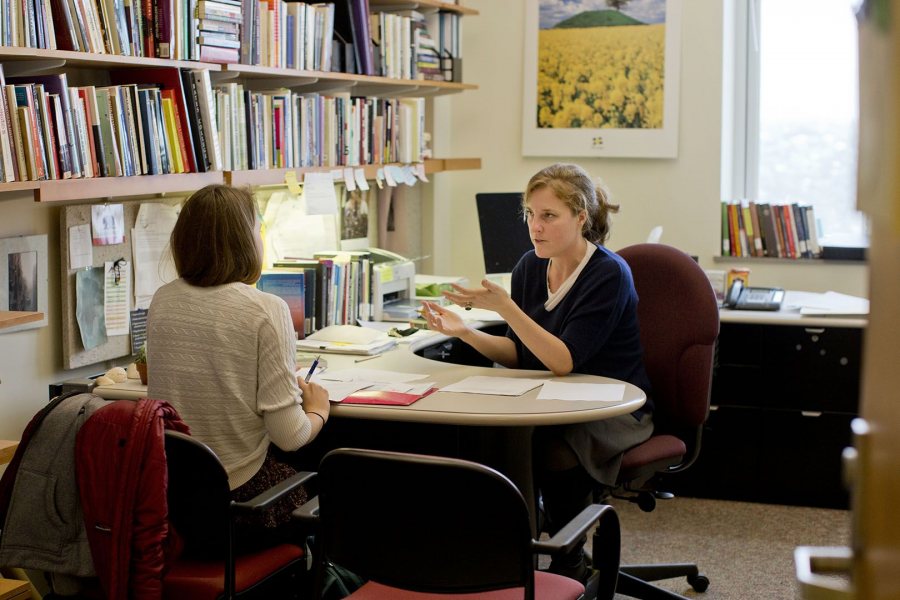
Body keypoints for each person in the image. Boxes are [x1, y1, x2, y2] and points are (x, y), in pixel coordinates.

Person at [421, 163, 654, 582]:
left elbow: (564, 360)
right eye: (530, 214)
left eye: (549, 216)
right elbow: (518, 353)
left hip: (611, 409)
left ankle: (567, 557)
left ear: (581, 217)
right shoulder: (530, 266)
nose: (535, 227)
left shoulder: (608, 273)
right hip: (550, 399)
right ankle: (506, 552)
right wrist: (466, 331)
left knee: (551, 447)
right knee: (488, 432)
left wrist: (506, 307)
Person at [147, 184, 331, 551]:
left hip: (173, 504)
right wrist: (318, 410)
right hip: (240, 508)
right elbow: (289, 436)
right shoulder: (266, 309)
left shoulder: (162, 300)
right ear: (247, 241)